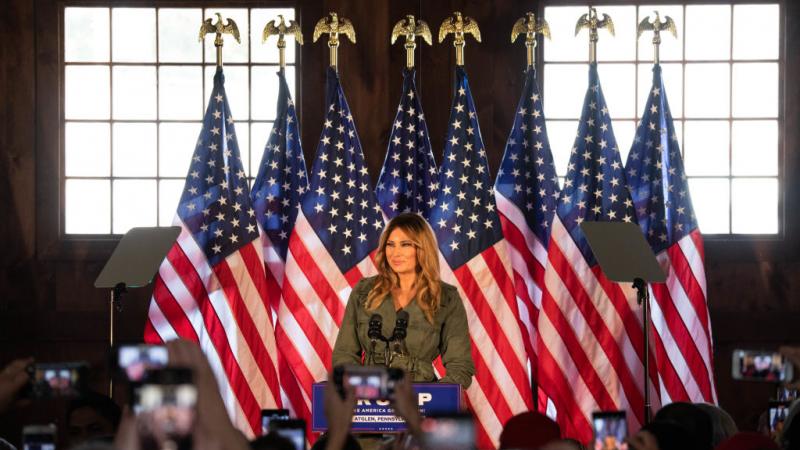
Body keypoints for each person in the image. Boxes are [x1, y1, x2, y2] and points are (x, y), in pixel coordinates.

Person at [332, 213, 475, 388]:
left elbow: (460, 367)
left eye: (405, 245)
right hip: (369, 404)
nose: (395, 253)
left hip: (422, 404)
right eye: (390, 245)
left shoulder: (446, 297)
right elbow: (344, 354)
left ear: (422, 248)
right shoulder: (364, 291)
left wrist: (433, 398)